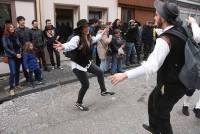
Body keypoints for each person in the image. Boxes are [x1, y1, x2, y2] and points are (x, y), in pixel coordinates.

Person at [110, 1, 188, 133]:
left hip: (172, 85)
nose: (154, 18)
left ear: (163, 18)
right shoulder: (179, 30)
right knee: (153, 99)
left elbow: (151, 66)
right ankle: (154, 127)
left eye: (156, 15)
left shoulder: (165, 40)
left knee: (162, 115)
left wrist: (125, 74)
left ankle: (159, 129)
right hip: (178, 79)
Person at [54, 19, 115, 111]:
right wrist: (63, 46)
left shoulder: (88, 37)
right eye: (85, 27)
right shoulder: (77, 38)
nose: (87, 28)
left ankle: (103, 91)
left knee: (100, 72)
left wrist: (102, 33)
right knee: (85, 85)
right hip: (78, 65)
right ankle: (79, 103)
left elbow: (95, 39)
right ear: (81, 29)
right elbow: (70, 45)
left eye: (87, 26)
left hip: (86, 62)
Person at [182, 16, 200, 119]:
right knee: (191, 88)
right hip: (195, 63)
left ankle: (198, 108)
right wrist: (193, 23)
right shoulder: (194, 31)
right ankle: (185, 105)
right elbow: (197, 38)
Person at [2, 23, 22, 95]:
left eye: (13, 27)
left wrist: (20, 53)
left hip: (18, 56)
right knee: (13, 72)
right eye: (10, 27)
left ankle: (17, 84)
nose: (12, 28)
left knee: (17, 71)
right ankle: (11, 88)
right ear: (7, 28)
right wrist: (15, 54)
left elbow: (19, 45)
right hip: (11, 56)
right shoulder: (5, 37)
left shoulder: (15, 35)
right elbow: (6, 48)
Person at [15, 16, 32, 82]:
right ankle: (27, 78)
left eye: (23, 20)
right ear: (18, 22)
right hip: (21, 51)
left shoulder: (28, 29)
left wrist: (31, 47)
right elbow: (17, 41)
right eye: (21, 20)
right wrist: (23, 48)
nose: (23, 21)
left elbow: (31, 39)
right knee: (24, 65)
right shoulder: (16, 31)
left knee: (30, 63)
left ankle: (30, 77)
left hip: (29, 50)